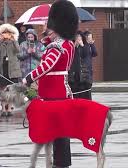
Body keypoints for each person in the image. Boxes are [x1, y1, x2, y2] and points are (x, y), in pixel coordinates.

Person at [22, 0, 79, 167]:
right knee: (60, 132)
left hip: (54, 94)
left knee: (58, 132)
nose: (46, 30)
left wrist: (28, 78)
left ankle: (59, 163)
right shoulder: (67, 43)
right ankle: (60, 162)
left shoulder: (57, 46)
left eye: (49, 27)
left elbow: (46, 66)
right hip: (60, 92)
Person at [0, 23, 22, 116]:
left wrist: (14, 40)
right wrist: (0, 42)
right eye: (4, 32)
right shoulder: (0, 43)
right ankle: (3, 108)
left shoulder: (14, 42)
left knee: (11, 89)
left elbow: (18, 50)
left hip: (12, 68)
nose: (6, 34)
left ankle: (10, 108)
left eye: (8, 32)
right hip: (2, 68)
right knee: (2, 89)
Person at [69, 31, 92, 100]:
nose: (78, 39)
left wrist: (82, 46)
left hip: (84, 74)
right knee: (75, 93)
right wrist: (74, 46)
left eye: (79, 37)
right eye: (76, 37)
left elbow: (86, 55)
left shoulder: (86, 46)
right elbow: (71, 56)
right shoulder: (71, 47)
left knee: (85, 94)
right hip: (74, 74)